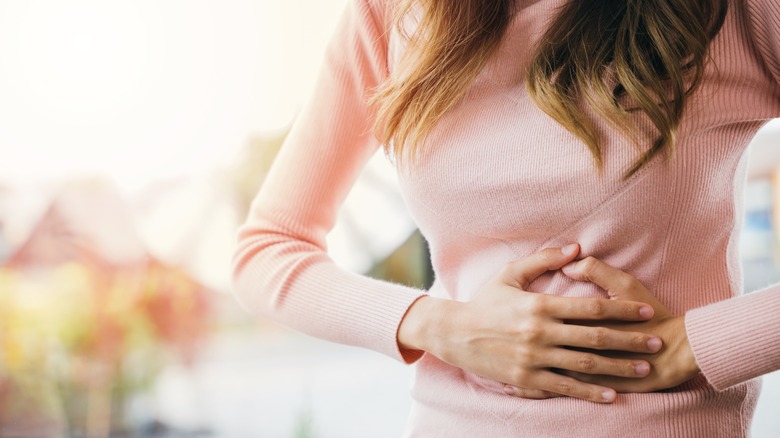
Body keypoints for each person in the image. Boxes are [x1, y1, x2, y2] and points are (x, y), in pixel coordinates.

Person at [231, 0, 780, 435]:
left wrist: (697, 345)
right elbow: (268, 249)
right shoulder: (391, 12)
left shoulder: (733, 12)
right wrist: (442, 326)